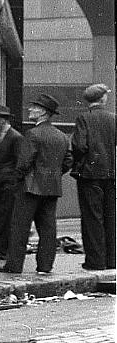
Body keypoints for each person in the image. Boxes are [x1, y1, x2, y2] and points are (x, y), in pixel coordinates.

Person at [0, 93, 72, 276]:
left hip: (29, 187)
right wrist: (53, 174)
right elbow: (68, 161)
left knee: (20, 228)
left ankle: (14, 266)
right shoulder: (61, 136)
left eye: (34, 107)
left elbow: (24, 163)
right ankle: (45, 266)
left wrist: (18, 179)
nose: (30, 109)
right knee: (47, 228)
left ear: (43, 113)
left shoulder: (32, 134)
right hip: (52, 187)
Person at [70, 83, 115, 270]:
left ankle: (95, 261)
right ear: (103, 98)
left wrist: (80, 162)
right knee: (110, 216)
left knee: (92, 218)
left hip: (89, 174)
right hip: (110, 173)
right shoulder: (113, 118)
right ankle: (112, 260)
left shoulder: (83, 119)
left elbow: (79, 146)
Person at [0, 103, 23, 259]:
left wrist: (12, 181)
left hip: (8, 184)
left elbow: (19, 162)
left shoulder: (16, 137)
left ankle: (2, 247)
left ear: (3, 120)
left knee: (6, 215)